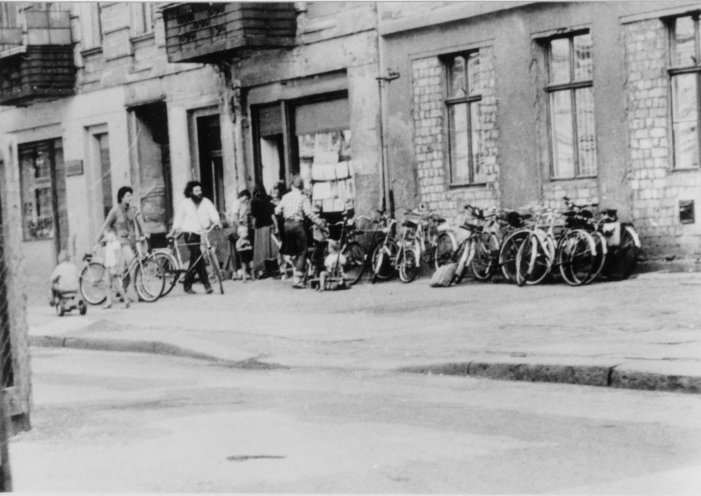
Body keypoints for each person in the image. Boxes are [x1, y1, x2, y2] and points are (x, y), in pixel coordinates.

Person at [168, 180, 222, 294]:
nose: (199, 192)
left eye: (200, 190)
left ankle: (187, 284)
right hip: (189, 234)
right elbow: (178, 217)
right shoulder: (185, 203)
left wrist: (217, 222)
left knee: (194, 259)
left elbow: (213, 213)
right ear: (190, 192)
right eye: (196, 191)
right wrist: (174, 229)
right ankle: (207, 285)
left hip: (201, 233)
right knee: (198, 256)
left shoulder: (206, 202)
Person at [93, 186, 147, 294]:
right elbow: (105, 225)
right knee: (134, 266)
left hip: (131, 241)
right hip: (121, 243)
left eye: (131, 195)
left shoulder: (133, 209)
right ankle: (140, 293)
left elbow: (140, 221)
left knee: (126, 269)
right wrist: (96, 240)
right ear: (121, 198)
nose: (130, 198)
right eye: (128, 196)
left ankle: (122, 292)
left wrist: (145, 233)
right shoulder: (115, 211)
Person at [274, 176, 325, 288]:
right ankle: (297, 280)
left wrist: (285, 215)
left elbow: (277, 210)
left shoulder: (285, 197)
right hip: (298, 225)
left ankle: (297, 273)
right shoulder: (303, 197)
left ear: (292, 185)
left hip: (287, 226)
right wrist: (320, 223)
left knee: (294, 251)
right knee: (302, 252)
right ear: (301, 186)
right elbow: (309, 213)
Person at [250, 183, 278, 279]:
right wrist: (276, 227)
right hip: (268, 226)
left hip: (259, 227)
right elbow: (272, 214)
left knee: (260, 250)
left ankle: (263, 270)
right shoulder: (268, 200)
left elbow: (253, 215)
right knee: (270, 249)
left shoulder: (253, 201)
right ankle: (273, 270)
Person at [102, 228, 129, 309]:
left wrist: (116, 268)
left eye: (107, 235)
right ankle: (109, 302)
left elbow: (118, 257)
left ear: (112, 234)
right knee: (107, 284)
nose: (106, 238)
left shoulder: (116, 244)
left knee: (117, 285)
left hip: (113, 267)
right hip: (108, 266)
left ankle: (126, 300)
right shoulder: (109, 243)